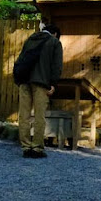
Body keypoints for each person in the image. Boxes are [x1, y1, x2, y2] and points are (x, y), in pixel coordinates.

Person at [18, 24, 63, 158]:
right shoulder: (54, 42)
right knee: (39, 116)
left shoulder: (30, 39)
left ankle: (25, 146)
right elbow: (56, 65)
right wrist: (53, 84)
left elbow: (20, 60)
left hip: (24, 81)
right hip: (41, 82)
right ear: (55, 33)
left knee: (24, 115)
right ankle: (37, 147)